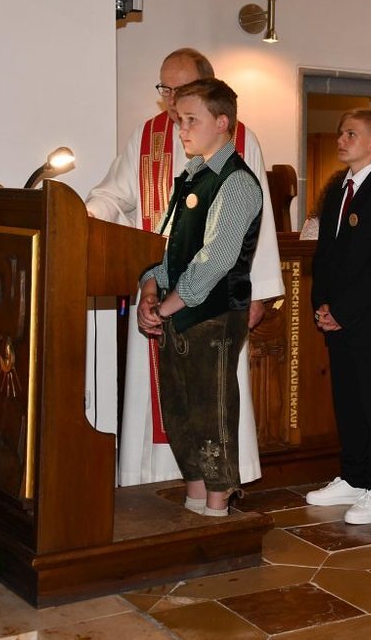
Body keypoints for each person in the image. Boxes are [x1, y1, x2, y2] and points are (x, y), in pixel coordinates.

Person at [86, 48, 282, 487]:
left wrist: (260, 292)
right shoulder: (147, 135)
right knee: (168, 393)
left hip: (215, 300)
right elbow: (116, 195)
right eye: (165, 89)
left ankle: (215, 488)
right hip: (160, 293)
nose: (172, 101)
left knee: (212, 394)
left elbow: (260, 220)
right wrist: (89, 213)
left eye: (181, 90)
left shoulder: (241, 140)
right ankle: (160, 478)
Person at [136, 78, 263, 516]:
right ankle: (194, 494)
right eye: (179, 120)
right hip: (178, 311)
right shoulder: (193, 175)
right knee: (179, 407)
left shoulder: (236, 181)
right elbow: (170, 246)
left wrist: (168, 305)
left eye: (192, 120)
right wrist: (150, 287)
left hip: (214, 314)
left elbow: (216, 259)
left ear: (222, 123)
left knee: (211, 409)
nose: (182, 129)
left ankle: (217, 502)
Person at [304, 109, 371, 525]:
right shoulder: (337, 190)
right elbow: (326, 255)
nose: (341, 140)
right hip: (337, 320)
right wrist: (321, 304)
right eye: (340, 133)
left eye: (351, 134)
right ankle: (353, 476)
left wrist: (344, 311)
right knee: (347, 403)